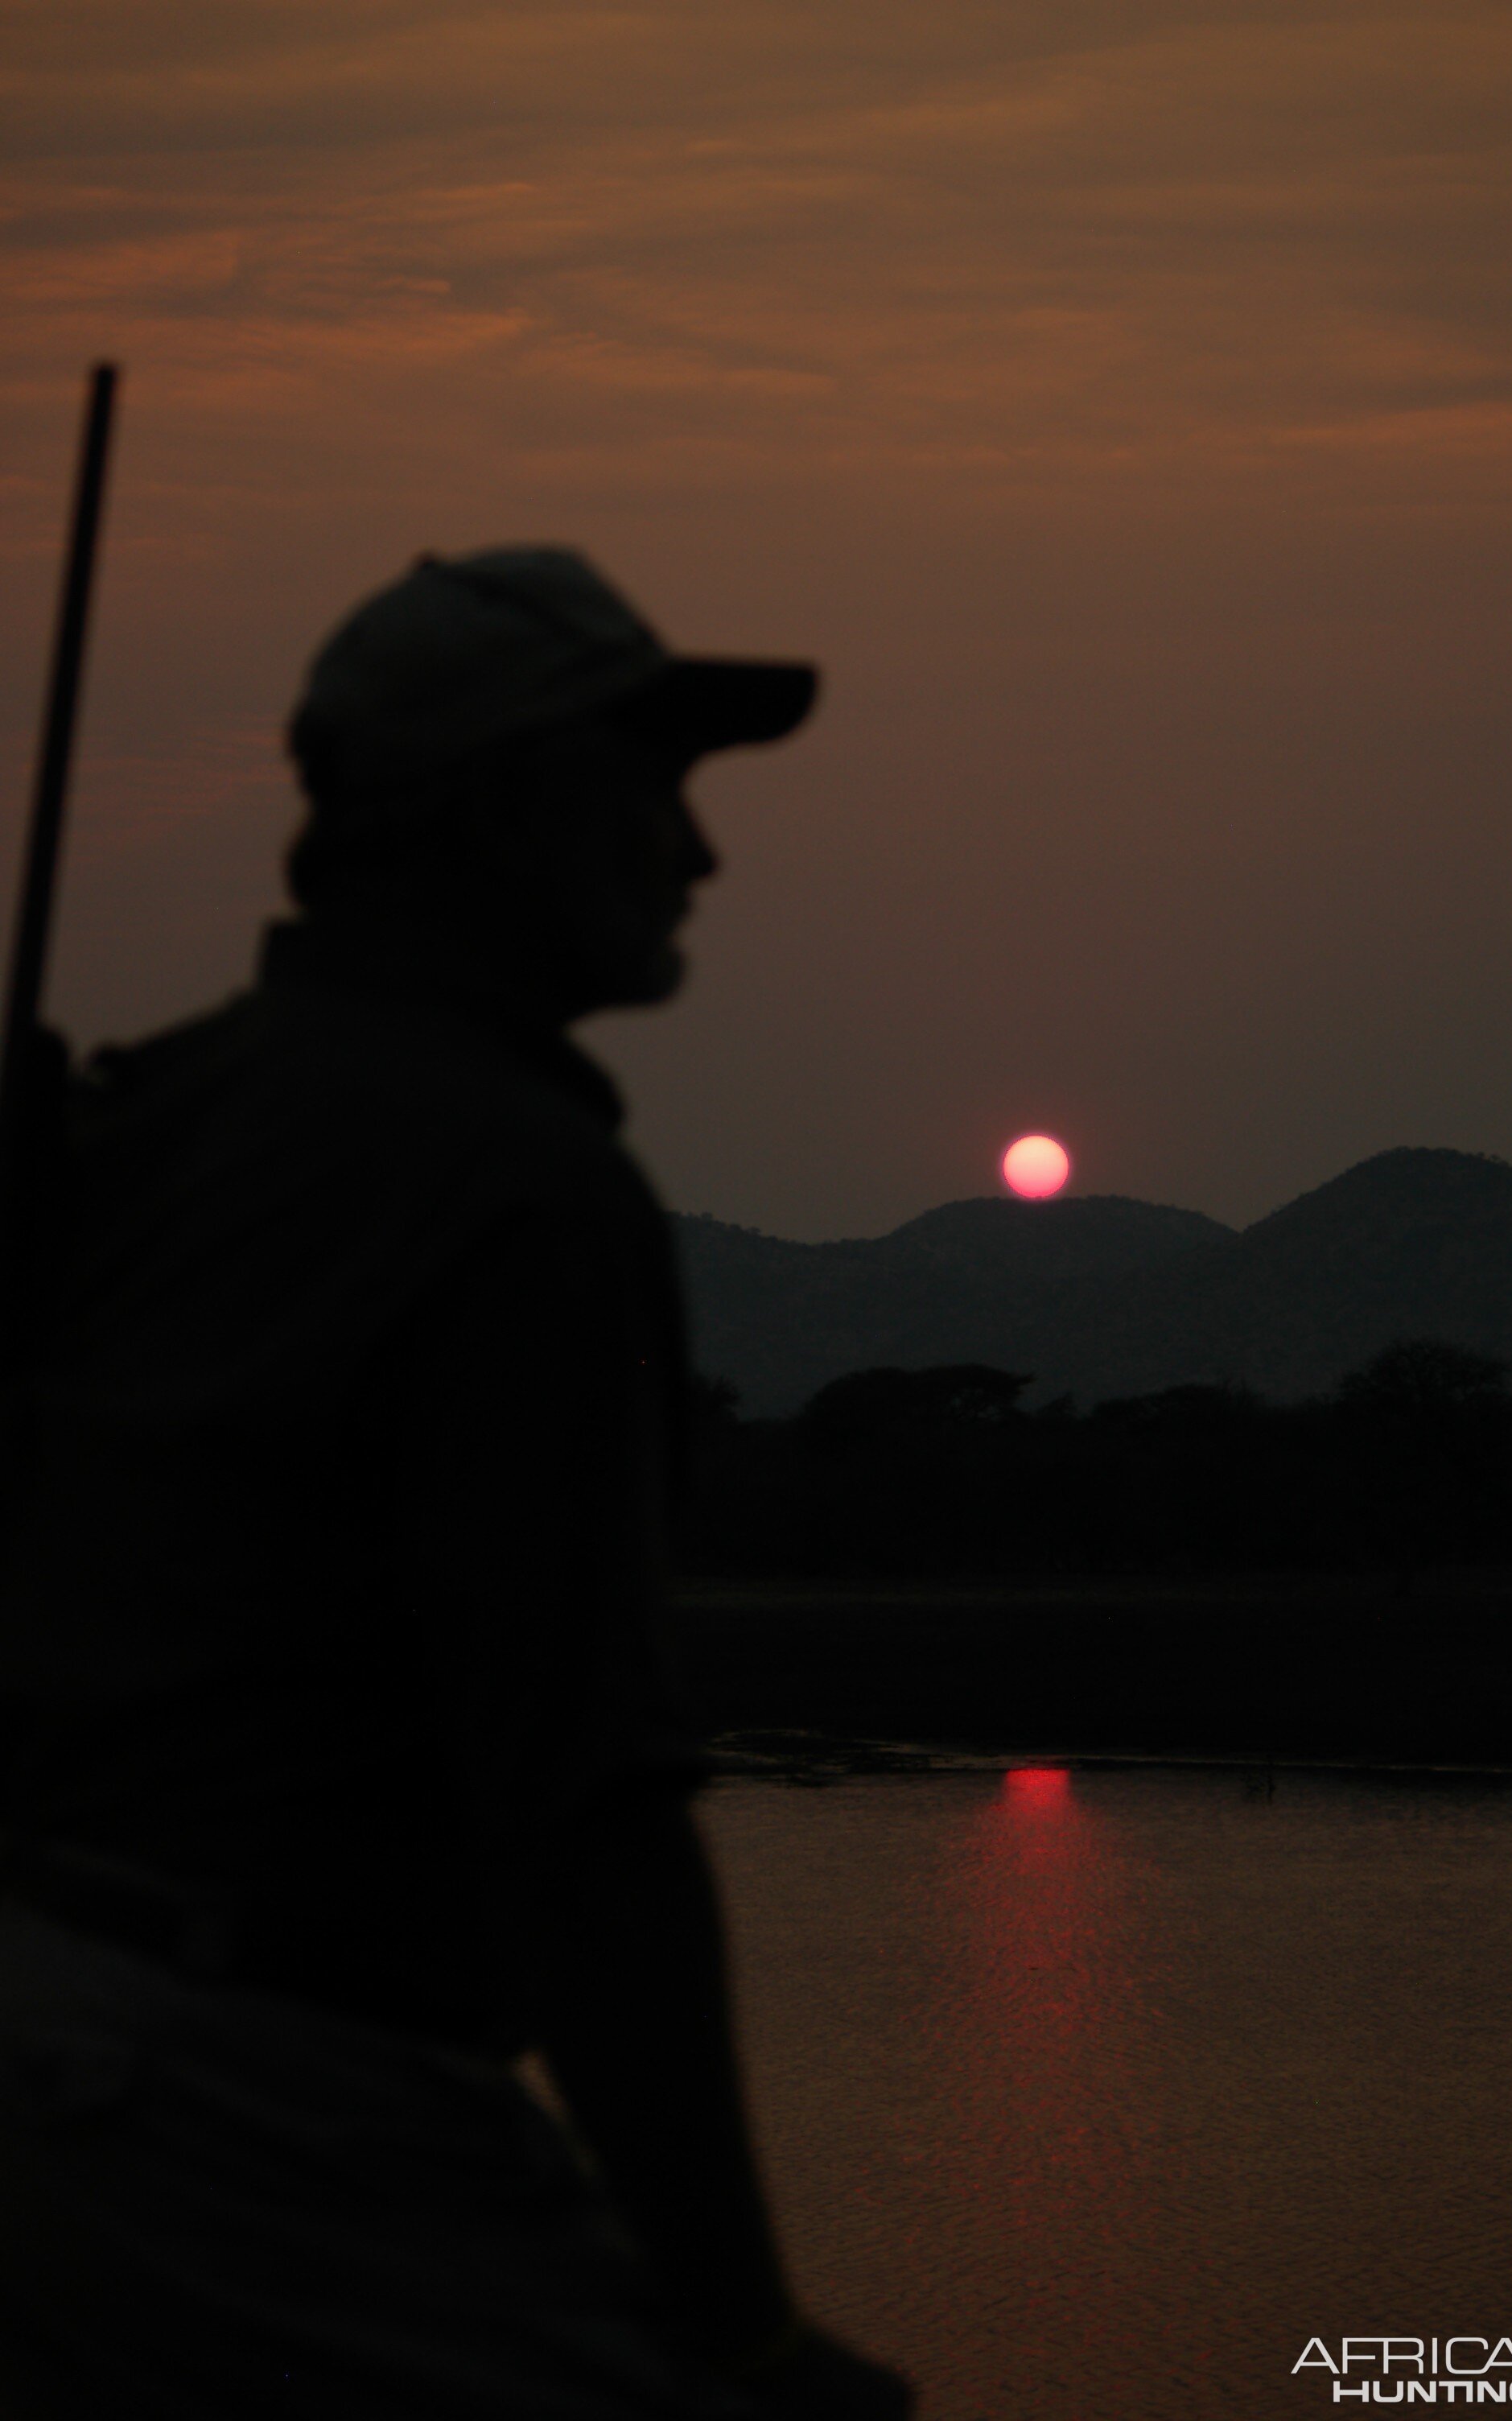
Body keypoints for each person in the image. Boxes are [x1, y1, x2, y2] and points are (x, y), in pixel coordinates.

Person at [0, 548, 914, 2420]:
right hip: (273, 2114)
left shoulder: (149, 1114)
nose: (694, 852)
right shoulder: (514, 1187)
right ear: (502, 813)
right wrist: (743, 2330)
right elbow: (586, 1820)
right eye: (647, 787)